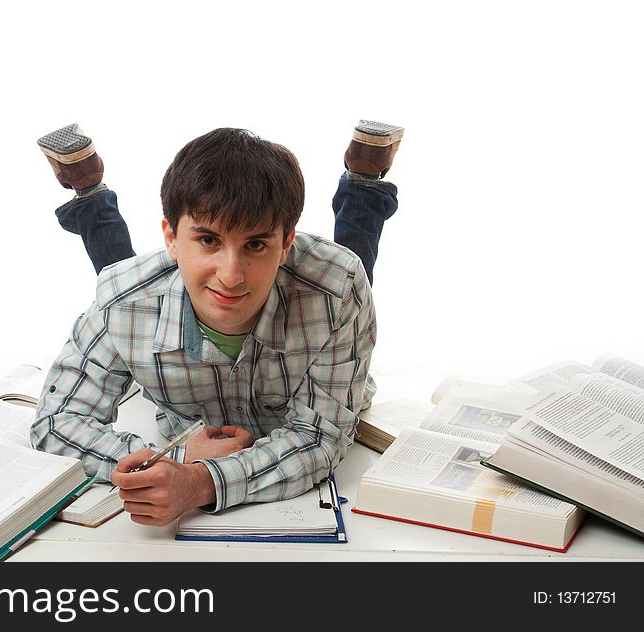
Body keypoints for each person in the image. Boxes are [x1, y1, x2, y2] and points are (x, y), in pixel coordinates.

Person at [32, 122, 402, 526]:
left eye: (256, 244)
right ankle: (88, 191)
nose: (231, 275)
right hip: (149, 294)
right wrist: (178, 459)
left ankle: (364, 180)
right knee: (127, 288)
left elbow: (318, 436)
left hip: (318, 293)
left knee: (353, 266)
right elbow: (56, 426)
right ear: (170, 239)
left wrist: (199, 482)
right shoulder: (123, 299)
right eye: (208, 240)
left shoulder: (337, 289)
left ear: (286, 245)